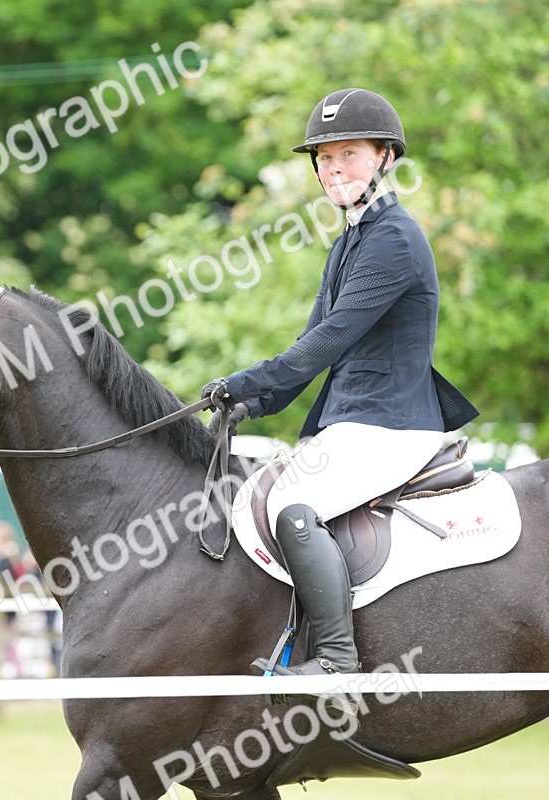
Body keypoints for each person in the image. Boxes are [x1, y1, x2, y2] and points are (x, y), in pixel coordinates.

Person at [201, 88, 478, 678]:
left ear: (384, 157)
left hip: (390, 424)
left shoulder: (395, 240)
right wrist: (250, 400)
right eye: (324, 158)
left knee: (293, 506)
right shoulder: (350, 240)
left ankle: (336, 659)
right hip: (355, 420)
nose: (332, 169)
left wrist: (242, 380)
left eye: (347, 154)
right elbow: (315, 339)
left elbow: (326, 345)